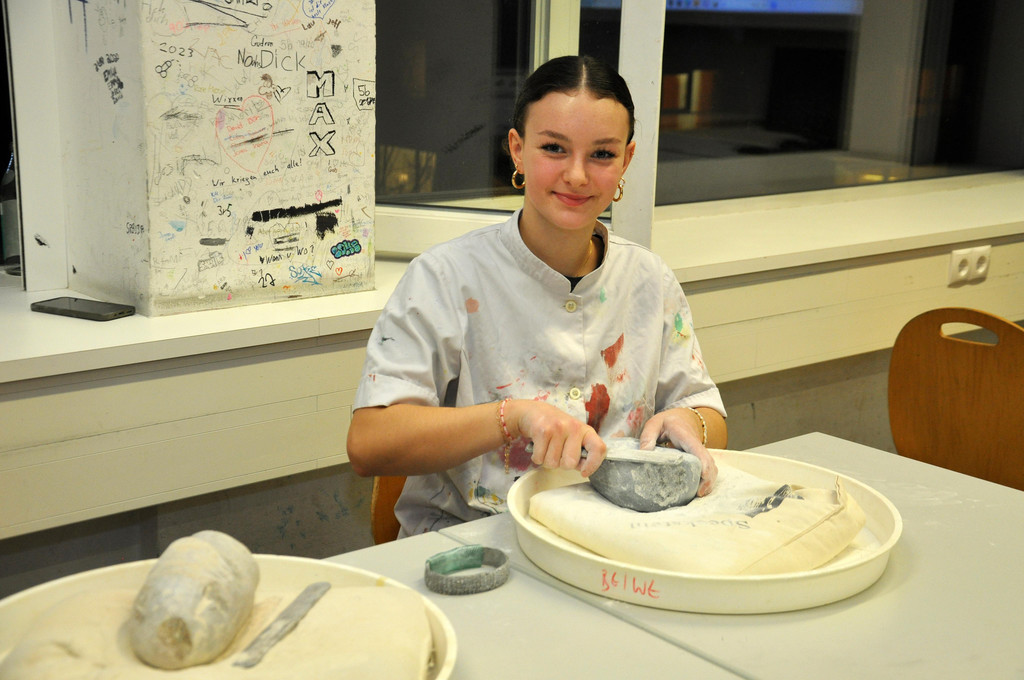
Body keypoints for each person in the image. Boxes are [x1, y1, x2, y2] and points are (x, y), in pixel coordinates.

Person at [347, 55, 726, 537]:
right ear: (518, 150)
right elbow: (369, 444)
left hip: (615, 538)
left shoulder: (650, 279)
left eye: (602, 154)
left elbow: (708, 413)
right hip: (475, 540)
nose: (577, 175)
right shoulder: (445, 277)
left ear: (626, 160)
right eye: (554, 148)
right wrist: (513, 417)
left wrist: (690, 422)